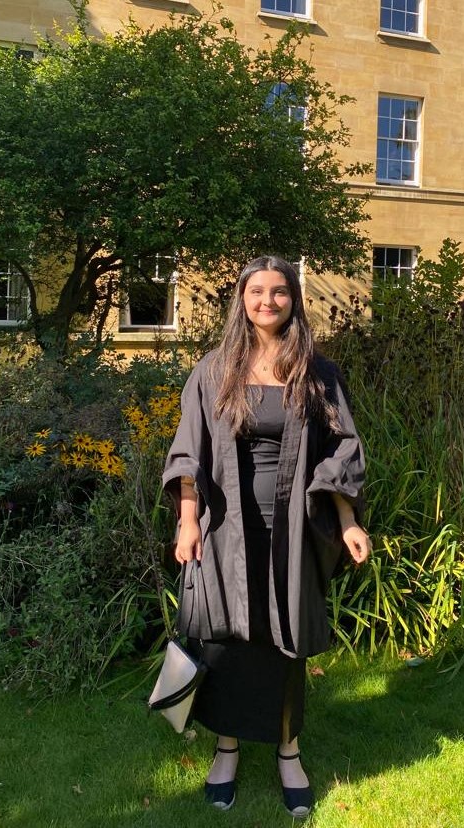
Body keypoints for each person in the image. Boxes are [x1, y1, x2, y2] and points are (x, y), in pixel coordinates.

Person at [161, 255, 371, 818]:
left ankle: (288, 751)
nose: (268, 301)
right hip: (226, 523)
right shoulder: (213, 370)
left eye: (280, 292)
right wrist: (187, 523)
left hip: (294, 526)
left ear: (293, 299)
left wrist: (347, 521)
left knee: (286, 635)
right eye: (258, 292)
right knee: (227, 637)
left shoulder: (317, 373)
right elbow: (189, 454)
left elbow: (340, 452)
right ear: (242, 299)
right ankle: (225, 749)